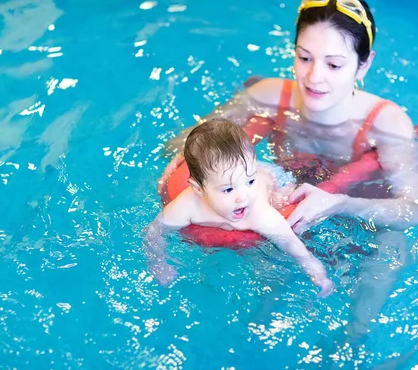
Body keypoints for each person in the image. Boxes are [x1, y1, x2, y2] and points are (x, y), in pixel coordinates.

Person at [156, 0, 418, 336]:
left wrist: (340, 204)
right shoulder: (269, 96)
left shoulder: (386, 123)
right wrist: (183, 157)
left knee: (394, 247)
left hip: (355, 220)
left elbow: (414, 210)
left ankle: (355, 335)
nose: (314, 77)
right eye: (304, 58)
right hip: (278, 207)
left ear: (365, 64)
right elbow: (188, 141)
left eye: (334, 64)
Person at [144, 119, 335, 298]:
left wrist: (317, 273)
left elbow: (293, 245)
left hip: (270, 177)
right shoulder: (187, 205)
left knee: (281, 196)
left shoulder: (260, 213)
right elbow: (155, 231)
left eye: (250, 182)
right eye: (227, 189)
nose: (243, 197)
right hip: (240, 171)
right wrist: (158, 263)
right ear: (198, 189)